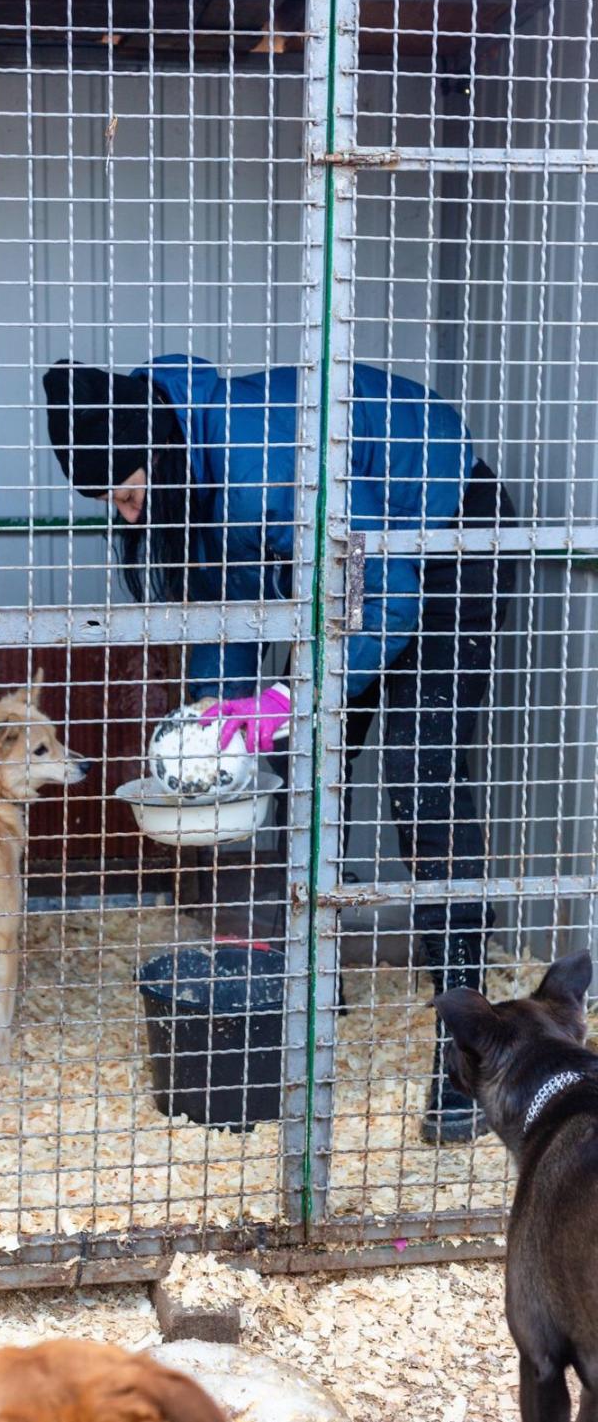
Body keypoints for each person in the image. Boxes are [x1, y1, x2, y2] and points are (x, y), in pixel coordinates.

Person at [43, 354, 516, 1145]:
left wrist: (292, 698)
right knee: (307, 762)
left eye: (126, 491)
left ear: (153, 454)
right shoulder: (185, 472)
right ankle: (315, 973)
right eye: (109, 503)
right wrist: (213, 728)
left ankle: (468, 1047)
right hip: (360, 566)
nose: (126, 516)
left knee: (418, 765)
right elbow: (225, 604)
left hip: (446, 538)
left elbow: (388, 593)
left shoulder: (257, 458)